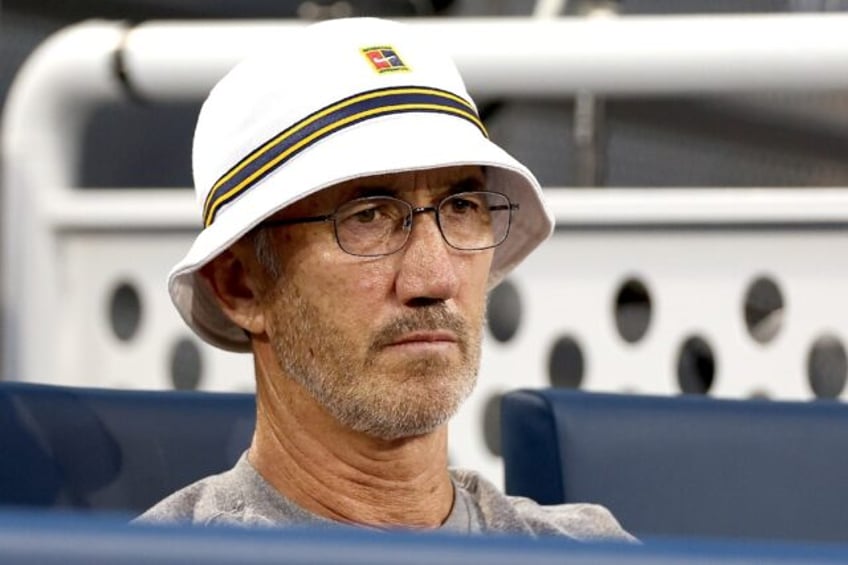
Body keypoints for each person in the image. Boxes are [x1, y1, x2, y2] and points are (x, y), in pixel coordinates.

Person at [136, 16, 634, 541]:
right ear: (240, 285)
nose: (434, 278)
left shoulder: (590, 548)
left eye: (461, 205)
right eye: (367, 216)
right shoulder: (157, 556)